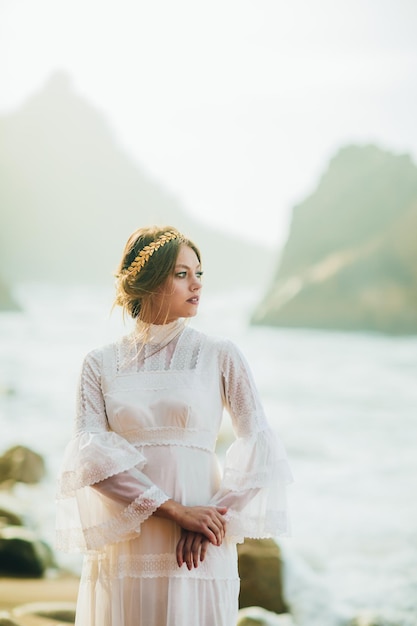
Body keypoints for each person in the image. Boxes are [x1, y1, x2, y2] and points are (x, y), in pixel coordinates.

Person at [56, 225, 292, 626]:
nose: (196, 284)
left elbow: (260, 448)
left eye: (199, 273)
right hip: (131, 538)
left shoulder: (219, 354)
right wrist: (174, 511)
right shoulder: (99, 363)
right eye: (182, 274)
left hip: (199, 540)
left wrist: (211, 518)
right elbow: (90, 461)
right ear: (147, 280)